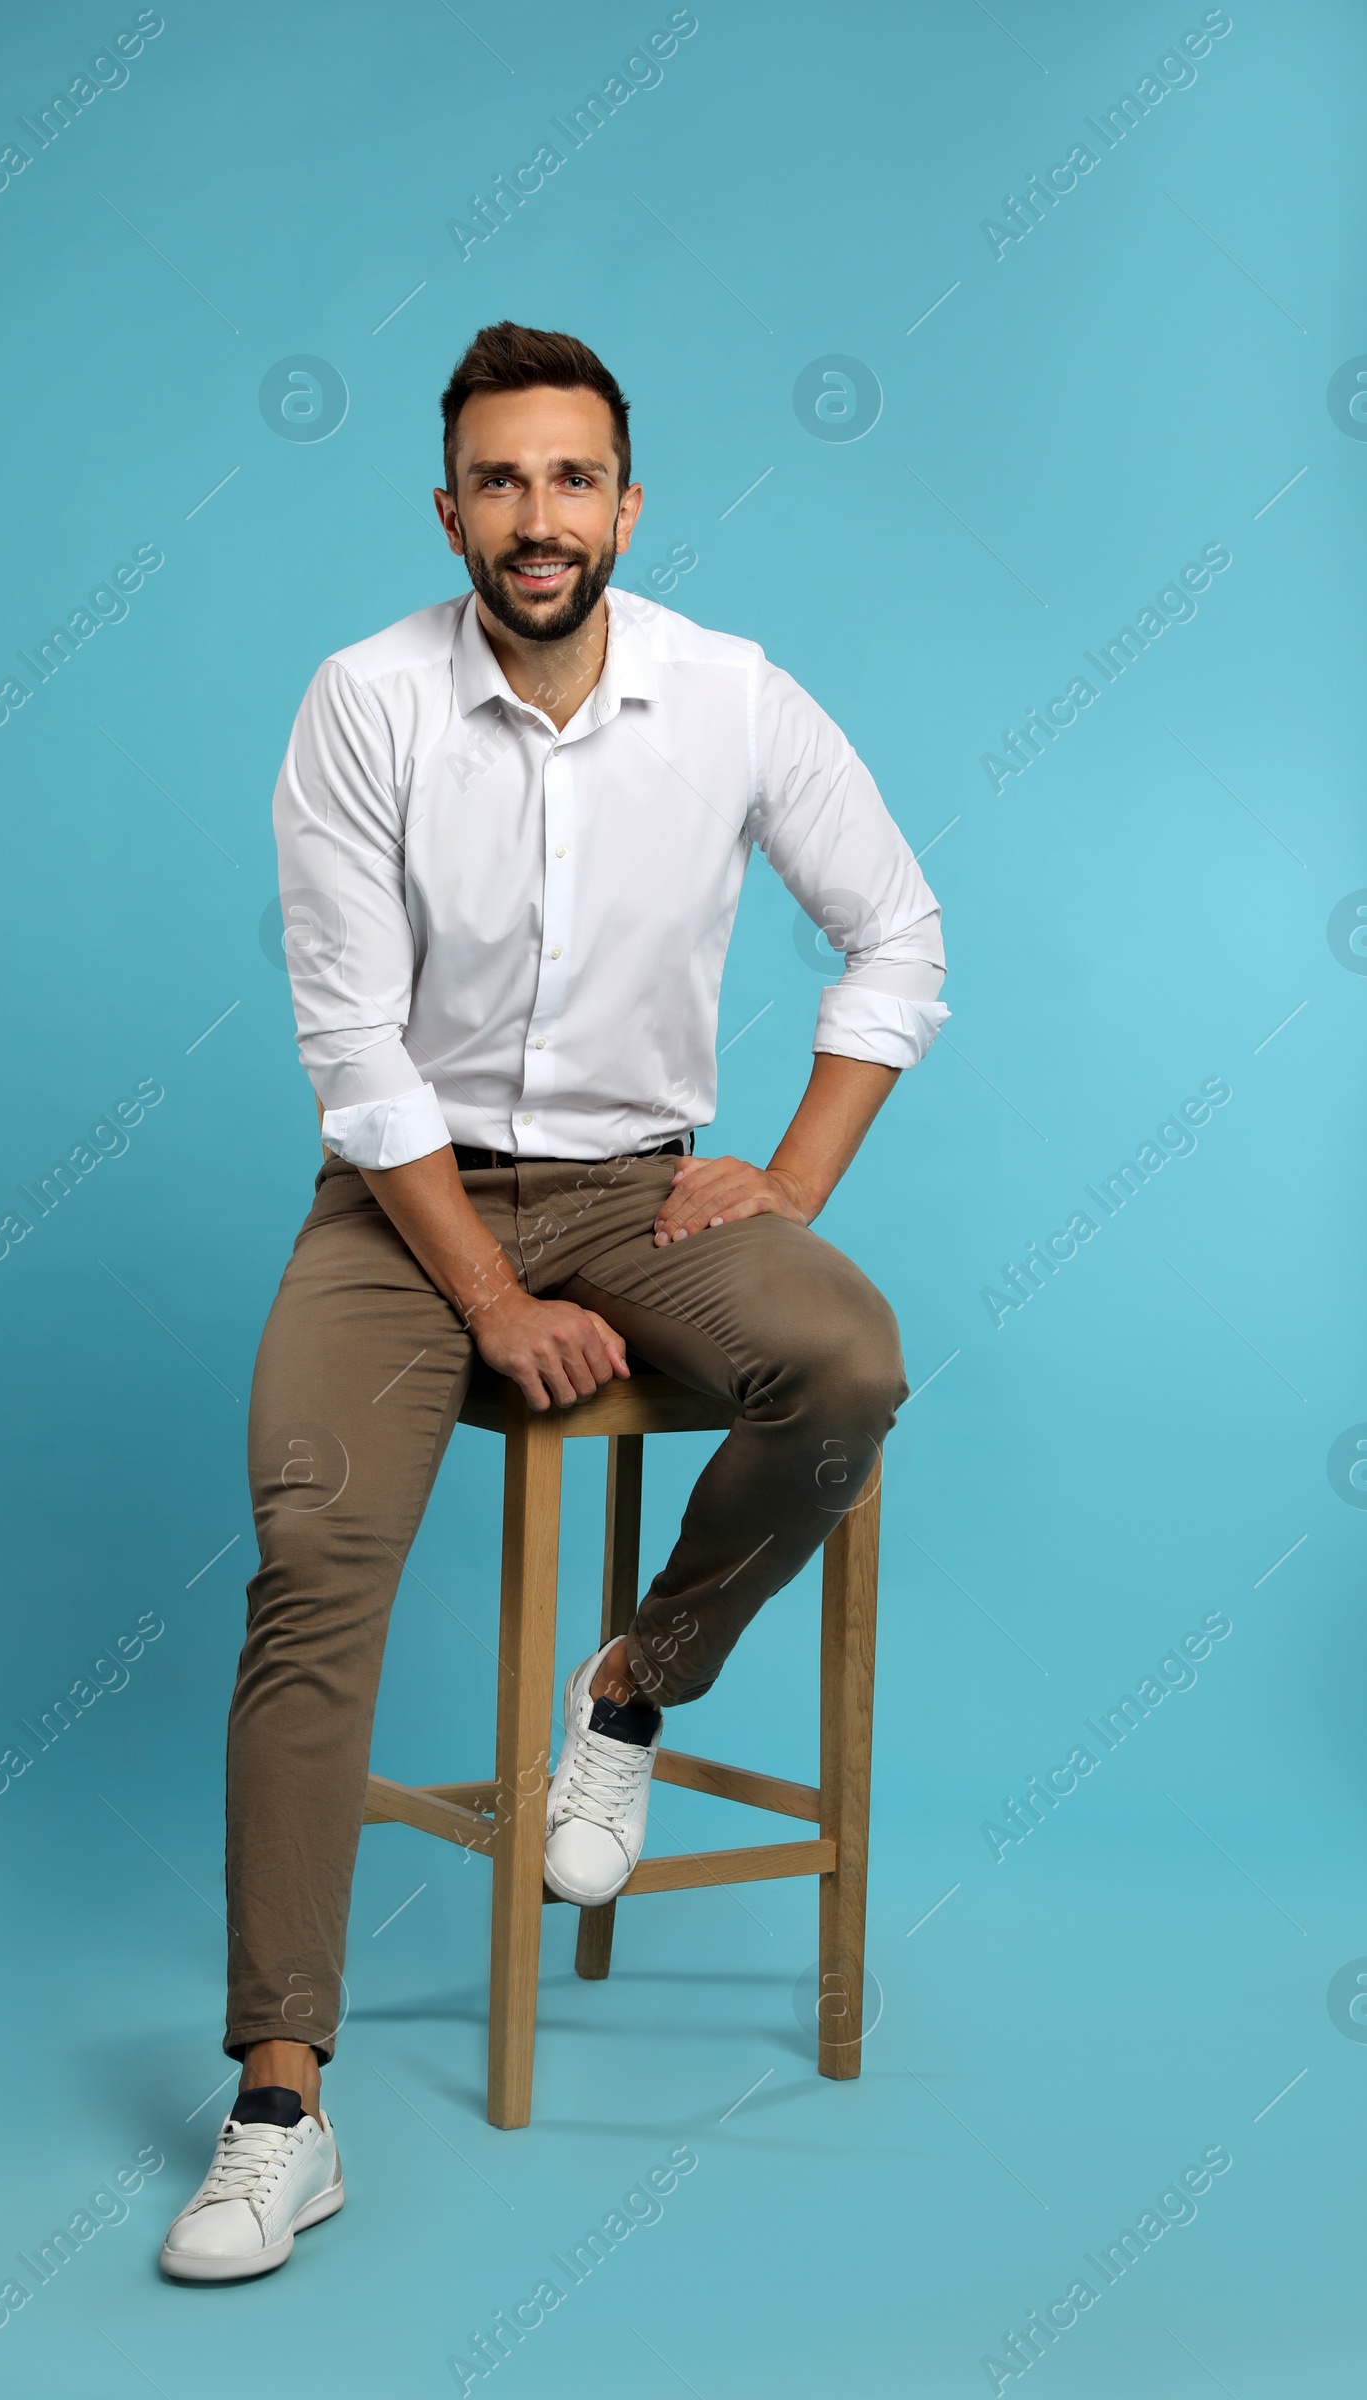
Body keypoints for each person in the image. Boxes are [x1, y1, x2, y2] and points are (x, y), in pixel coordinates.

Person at [160, 319, 947, 2280]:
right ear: (448, 511)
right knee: (310, 1556)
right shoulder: (362, 701)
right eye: (498, 482)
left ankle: (632, 1686)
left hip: (629, 1192)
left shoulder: (729, 694)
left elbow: (896, 939)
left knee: (843, 1359)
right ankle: (278, 2102)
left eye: (569, 479)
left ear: (625, 502)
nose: (536, 517)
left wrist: (782, 1173)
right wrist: (489, 1296)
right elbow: (351, 1045)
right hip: (398, 1207)